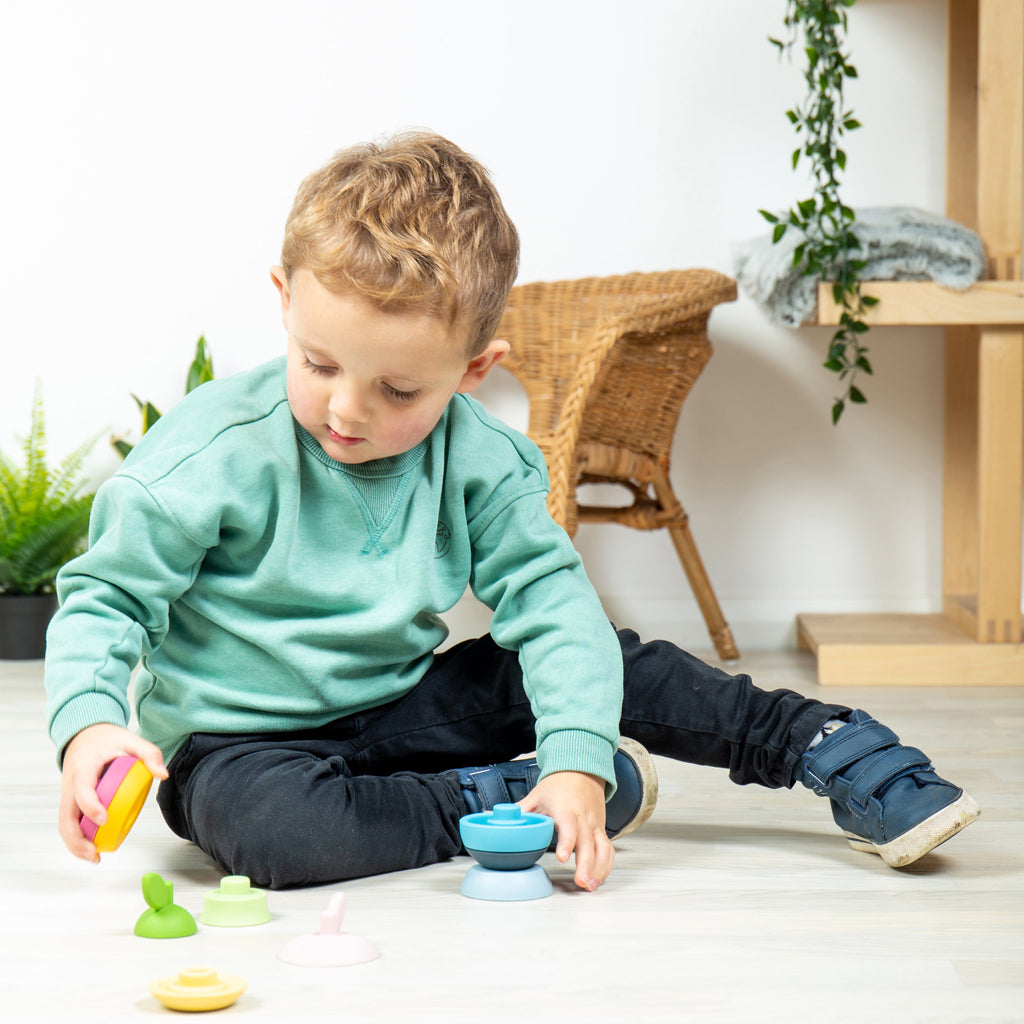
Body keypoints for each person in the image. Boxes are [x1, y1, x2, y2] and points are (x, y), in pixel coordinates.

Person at [44, 131, 979, 891]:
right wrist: (89, 721)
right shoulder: (211, 453)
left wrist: (577, 741)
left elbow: (550, 605)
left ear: (474, 369)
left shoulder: (480, 457)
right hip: (240, 746)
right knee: (275, 836)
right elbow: (106, 599)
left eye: (400, 389)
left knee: (598, 653)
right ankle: (513, 799)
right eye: (320, 364)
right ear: (285, 304)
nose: (347, 410)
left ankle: (818, 743)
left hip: (400, 711)